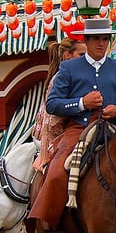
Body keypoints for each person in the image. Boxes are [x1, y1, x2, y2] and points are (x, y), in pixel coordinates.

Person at [29, 17, 116, 233]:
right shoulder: (69, 68)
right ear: (87, 41)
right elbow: (52, 104)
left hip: (112, 130)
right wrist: (81, 103)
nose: (102, 43)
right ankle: (52, 231)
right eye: (97, 39)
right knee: (58, 170)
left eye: (106, 39)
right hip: (77, 130)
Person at [32, 37, 87, 172]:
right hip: (55, 136)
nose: (86, 59)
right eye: (81, 55)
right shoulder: (60, 77)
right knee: (59, 172)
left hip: (75, 130)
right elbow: (53, 114)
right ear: (67, 56)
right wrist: (82, 103)